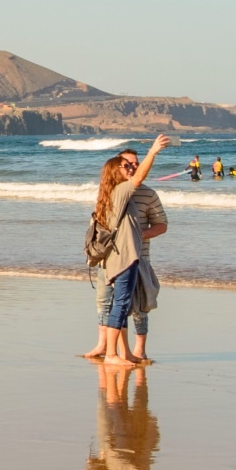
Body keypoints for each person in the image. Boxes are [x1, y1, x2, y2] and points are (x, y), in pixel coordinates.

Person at [83, 134, 171, 367]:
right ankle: (111, 354)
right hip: (123, 258)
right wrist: (153, 151)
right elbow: (139, 179)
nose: (132, 169)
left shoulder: (112, 194)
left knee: (125, 305)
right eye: (127, 166)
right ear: (116, 171)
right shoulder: (121, 192)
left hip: (126, 257)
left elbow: (159, 224)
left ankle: (127, 352)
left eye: (134, 165)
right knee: (120, 305)